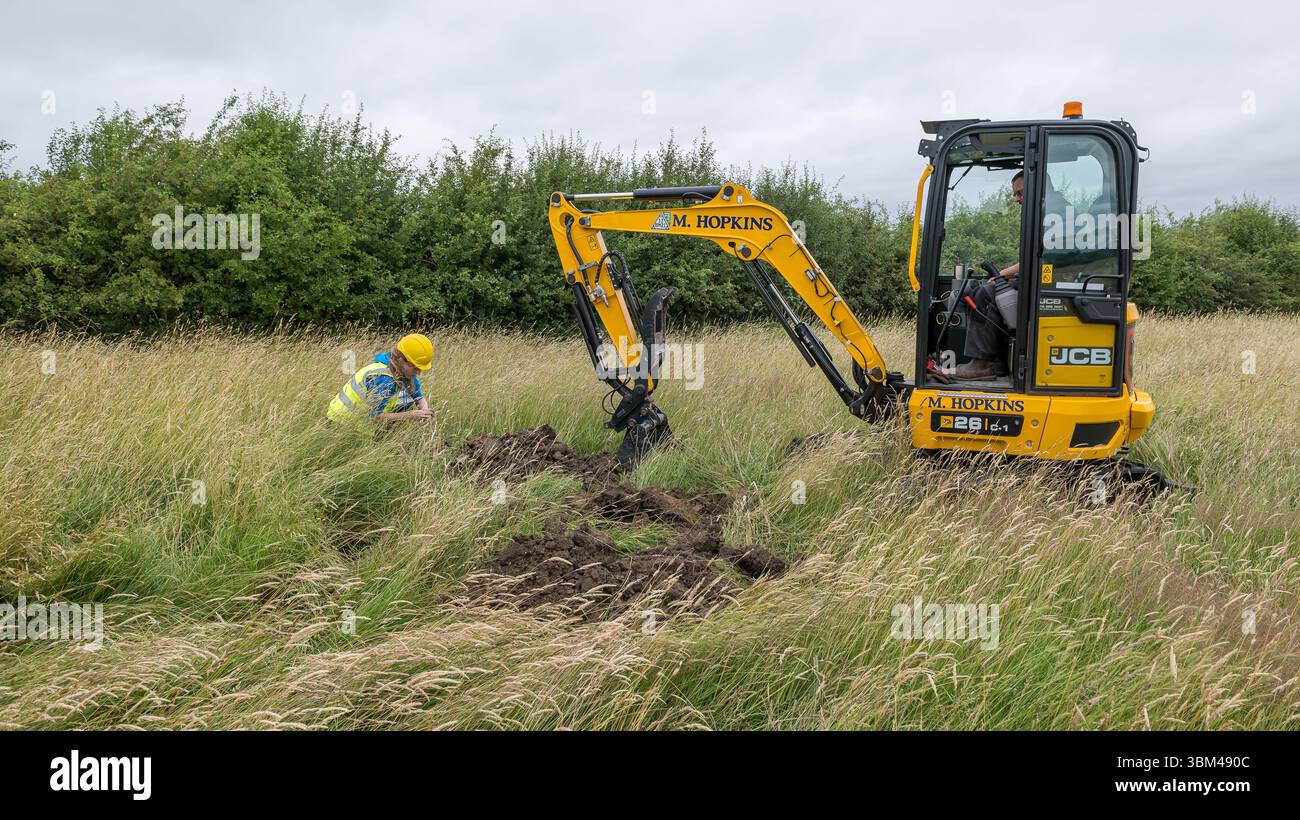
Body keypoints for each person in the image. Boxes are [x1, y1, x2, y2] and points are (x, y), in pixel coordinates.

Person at [955, 170, 1070, 379]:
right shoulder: (1050, 211)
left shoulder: (1056, 214)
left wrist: (1002, 275)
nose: (1017, 199)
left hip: (1050, 283)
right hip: (1044, 278)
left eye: (1021, 193)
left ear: (1040, 188)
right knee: (989, 288)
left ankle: (981, 363)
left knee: (985, 294)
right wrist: (1005, 276)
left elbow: (1043, 259)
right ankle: (997, 362)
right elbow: (1035, 256)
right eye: (1015, 194)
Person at [327, 333, 434, 425]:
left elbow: (418, 396)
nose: (418, 372)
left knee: (406, 403)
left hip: (359, 423)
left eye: (420, 368)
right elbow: (376, 416)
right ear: (401, 360)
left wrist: (425, 410)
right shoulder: (384, 379)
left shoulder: (405, 371)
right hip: (342, 422)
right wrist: (410, 415)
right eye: (415, 367)